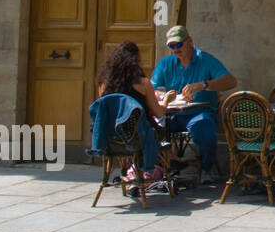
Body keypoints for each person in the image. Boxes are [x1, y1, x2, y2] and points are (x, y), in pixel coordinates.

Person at [150, 25, 236, 184]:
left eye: (178, 45)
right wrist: (164, 96)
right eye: (171, 46)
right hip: (172, 114)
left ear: (189, 41)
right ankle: (161, 165)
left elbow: (230, 81)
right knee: (150, 129)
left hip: (198, 112)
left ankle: (206, 169)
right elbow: (153, 89)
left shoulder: (205, 60)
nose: (175, 49)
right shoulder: (165, 63)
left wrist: (203, 85)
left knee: (203, 129)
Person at [96, 42, 169, 188]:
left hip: (112, 138)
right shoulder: (143, 84)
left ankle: (132, 171)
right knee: (161, 132)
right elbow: (159, 112)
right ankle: (150, 169)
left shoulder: (103, 84)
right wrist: (167, 100)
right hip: (138, 138)